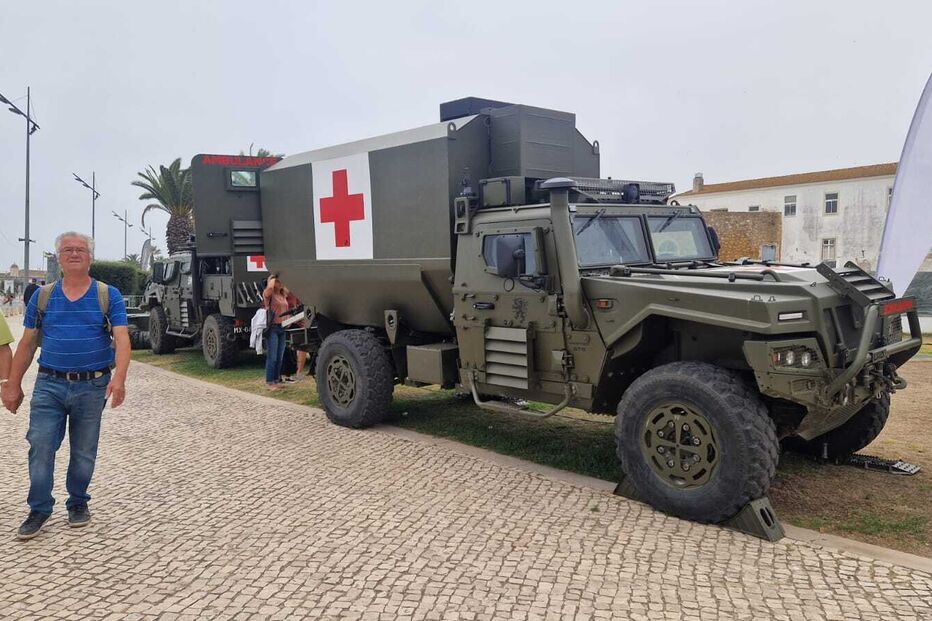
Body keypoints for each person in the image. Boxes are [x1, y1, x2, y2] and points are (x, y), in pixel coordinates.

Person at [1, 232, 130, 540]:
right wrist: (12, 384)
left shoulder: (107, 294)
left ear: (90, 257)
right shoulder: (43, 296)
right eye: (68, 250)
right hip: (49, 384)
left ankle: (78, 502)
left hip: (92, 385)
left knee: (84, 450)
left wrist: (120, 378)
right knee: (41, 445)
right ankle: (40, 508)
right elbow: (28, 343)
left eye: (81, 250)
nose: (74, 254)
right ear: (59, 258)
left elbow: (122, 338)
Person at [262, 276, 289, 391]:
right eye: (278, 281)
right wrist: (273, 278)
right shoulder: (269, 295)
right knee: (272, 356)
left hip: (283, 328)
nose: (280, 283)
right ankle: (269, 381)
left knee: (280, 356)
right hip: (273, 327)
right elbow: (268, 290)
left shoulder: (282, 295)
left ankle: (276, 380)